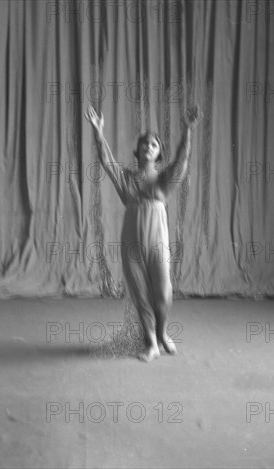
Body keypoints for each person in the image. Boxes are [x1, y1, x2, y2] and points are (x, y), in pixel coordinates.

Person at [85, 104, 202, 362]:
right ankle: (151, 343)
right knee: (140, 293)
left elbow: (182, 160)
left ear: (158, 153)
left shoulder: (164, 180)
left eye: (154, 144)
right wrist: (98, 130)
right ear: (137, 150)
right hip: (132, 241)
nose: (149, 146)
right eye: (145, 144)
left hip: (157, 240)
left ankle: (162, 334)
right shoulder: (126, 178)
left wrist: (187, 130)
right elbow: (106, 161)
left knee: (163, 291)